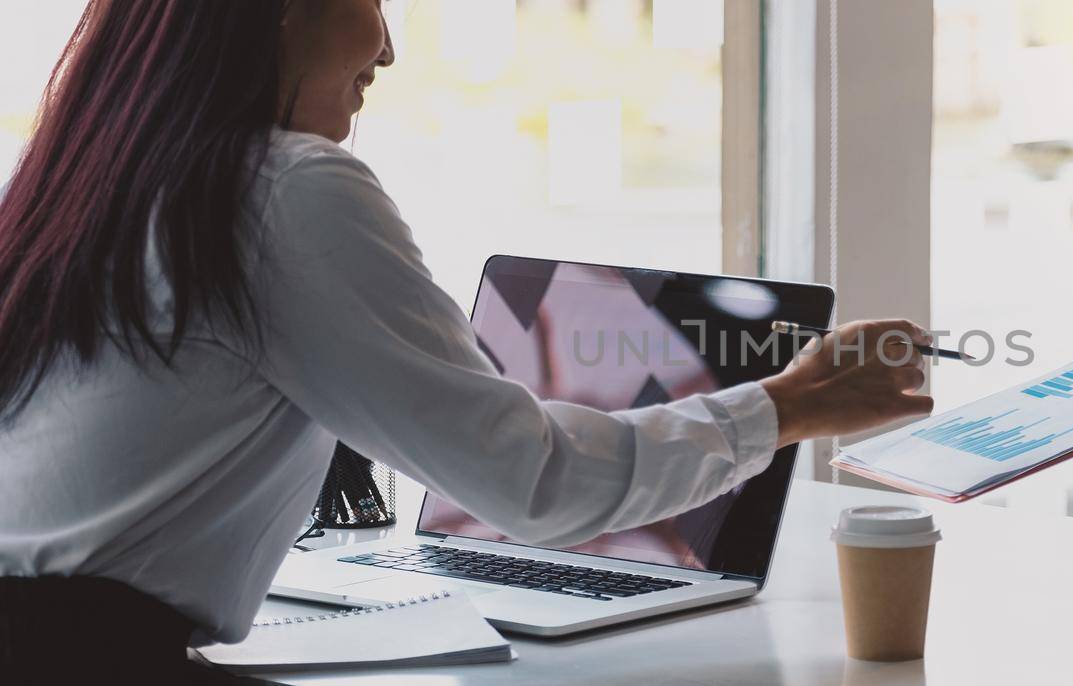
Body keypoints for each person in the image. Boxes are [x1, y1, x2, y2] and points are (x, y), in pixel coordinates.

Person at [0, 1, 933, 682]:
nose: (390, 47)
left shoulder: (90, 185)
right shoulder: (285, 190)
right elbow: (536, 482)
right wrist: (793, 403)